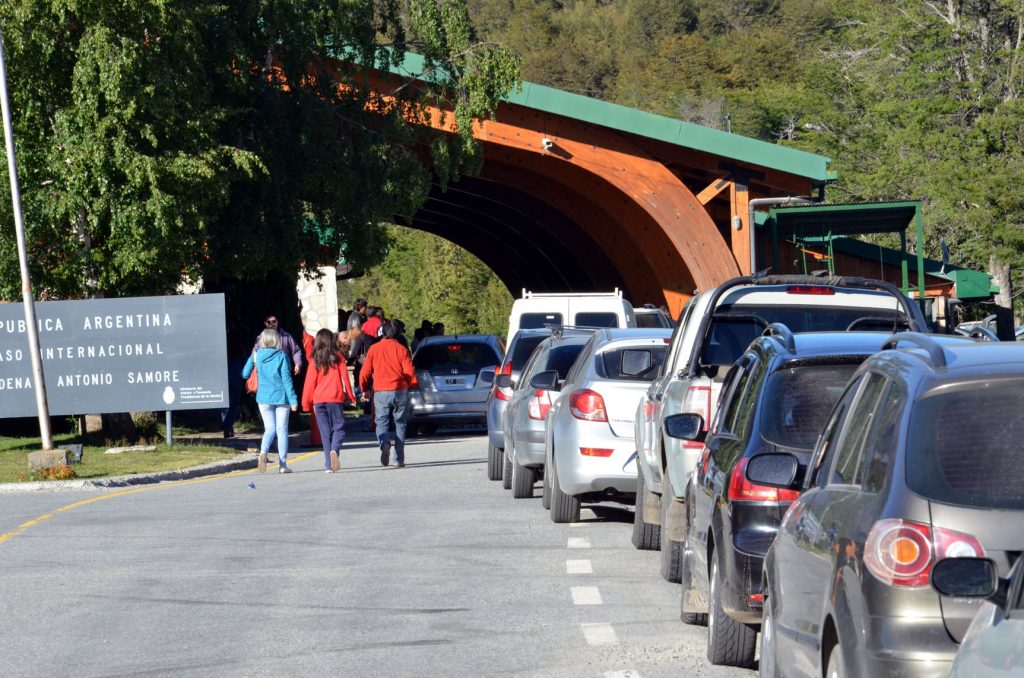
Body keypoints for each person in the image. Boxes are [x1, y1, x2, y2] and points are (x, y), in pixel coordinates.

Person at [360, 320, 416, 468]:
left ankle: (384, 442)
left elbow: (365, 373)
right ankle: (398, 459)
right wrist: (407, 385)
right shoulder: (402, 349)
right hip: (399, 389)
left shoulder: (374, 349)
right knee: (400, 423)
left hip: (381, 391)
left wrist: (365, 389)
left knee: (381, 422)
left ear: (383, 332)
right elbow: (410, 372)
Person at [242, 329, 299, 473]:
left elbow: (244, 374)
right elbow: (286, 380)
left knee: (270, 429)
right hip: (281, 397)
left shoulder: (257, 355)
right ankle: (282, 465)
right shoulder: (282, 356)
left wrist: (254, 363)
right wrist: (293, 400)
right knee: (282, 430)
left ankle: (263, 452)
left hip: (263, 397)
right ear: (276, 340)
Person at [302, 329, 356, 473]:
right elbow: (345, 377)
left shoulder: (315, 359)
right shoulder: (338, 356)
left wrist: (306, 403)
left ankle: (328, 465)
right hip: (335, 397)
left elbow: (309, 382)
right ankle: (334, 450)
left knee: (325, 432)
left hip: (319, 399)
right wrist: (351, 396)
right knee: (339, 426)